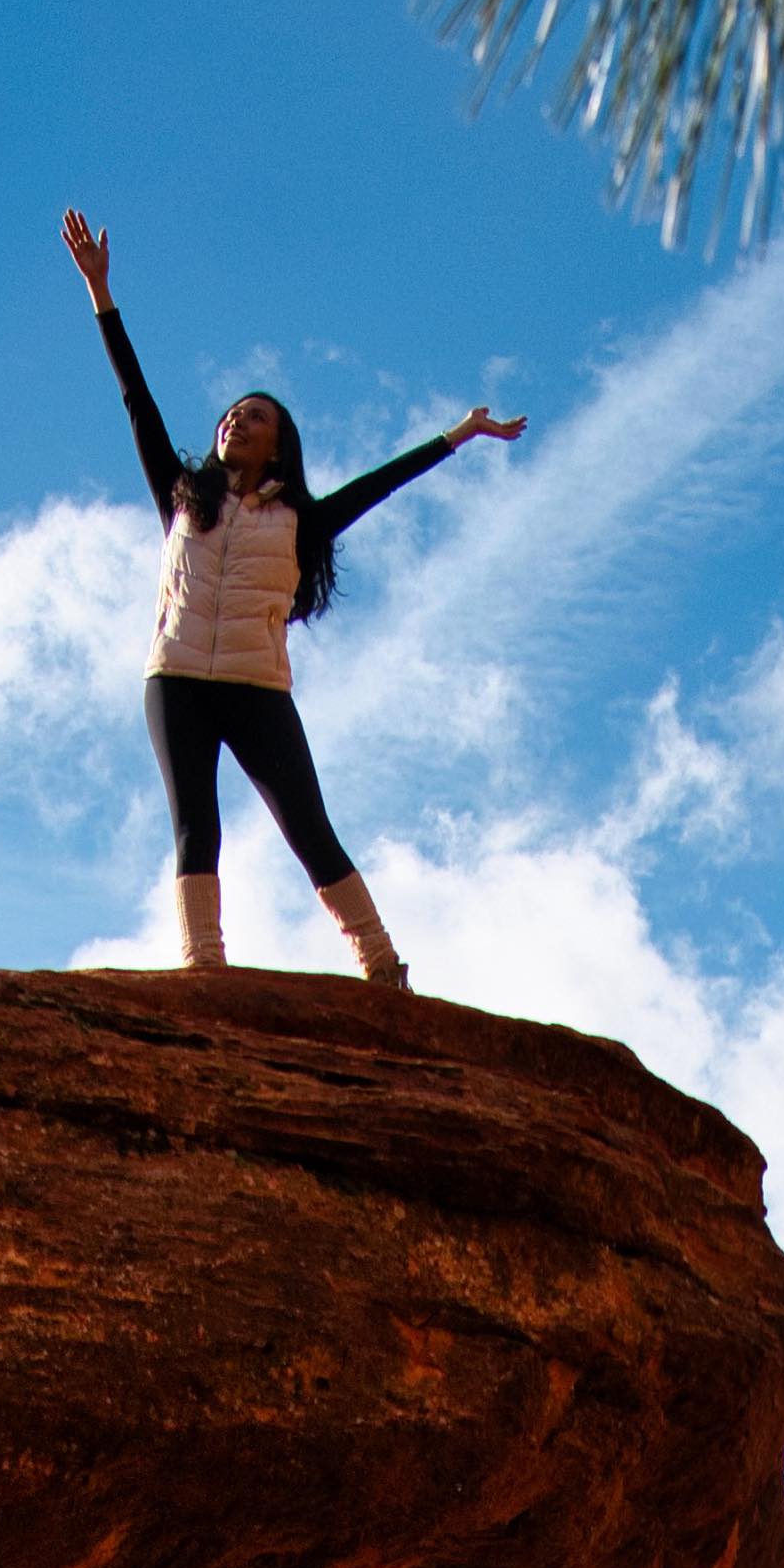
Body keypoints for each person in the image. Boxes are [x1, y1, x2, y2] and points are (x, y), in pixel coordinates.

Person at [62, 209, 522, 986]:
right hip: (175, 679)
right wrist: (101, 295)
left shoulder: (300, 520)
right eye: (233, 415)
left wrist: (458, 436)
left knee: (308, 826)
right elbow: (137, 402)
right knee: (192, 824)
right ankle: (204, 966)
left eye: (258, 418)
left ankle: (381, 964)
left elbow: (381, 485)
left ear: (280, 442)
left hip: (255, 687)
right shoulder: (182, 500)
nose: (239, 421)